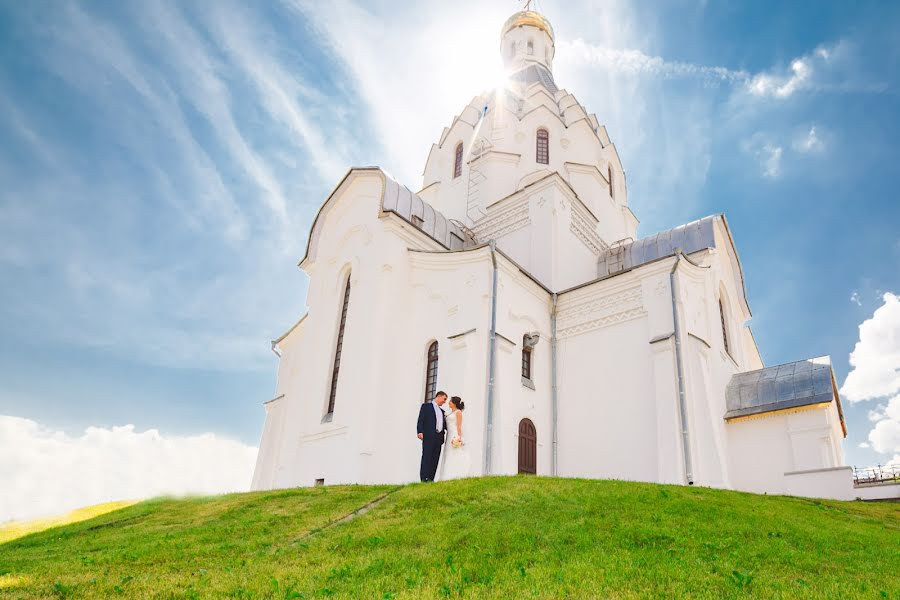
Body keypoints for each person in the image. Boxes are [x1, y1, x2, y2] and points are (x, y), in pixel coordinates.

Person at [417, 391, 447, 482]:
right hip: (429, 436)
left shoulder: (442, 412)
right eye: (444, 399)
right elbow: (420, 420)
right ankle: (424, 478)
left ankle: (431, 478)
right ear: (439, 396)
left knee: (435, 458)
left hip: (439, 438)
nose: (444, 401)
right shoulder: (426, 407)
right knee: (426, 456)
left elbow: (445, 425)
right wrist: (420, 431)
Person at [439, 396, 471, 480]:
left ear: (454, 403)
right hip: (449, 435)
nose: (449, 402)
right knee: (448, 453)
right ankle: (447, 474)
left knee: (455, 452)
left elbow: (459, 426)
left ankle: (457, 473)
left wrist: (458, 437)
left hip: (454, 435)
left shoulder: (458, 412)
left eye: (450, 401)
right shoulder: (449, 413)